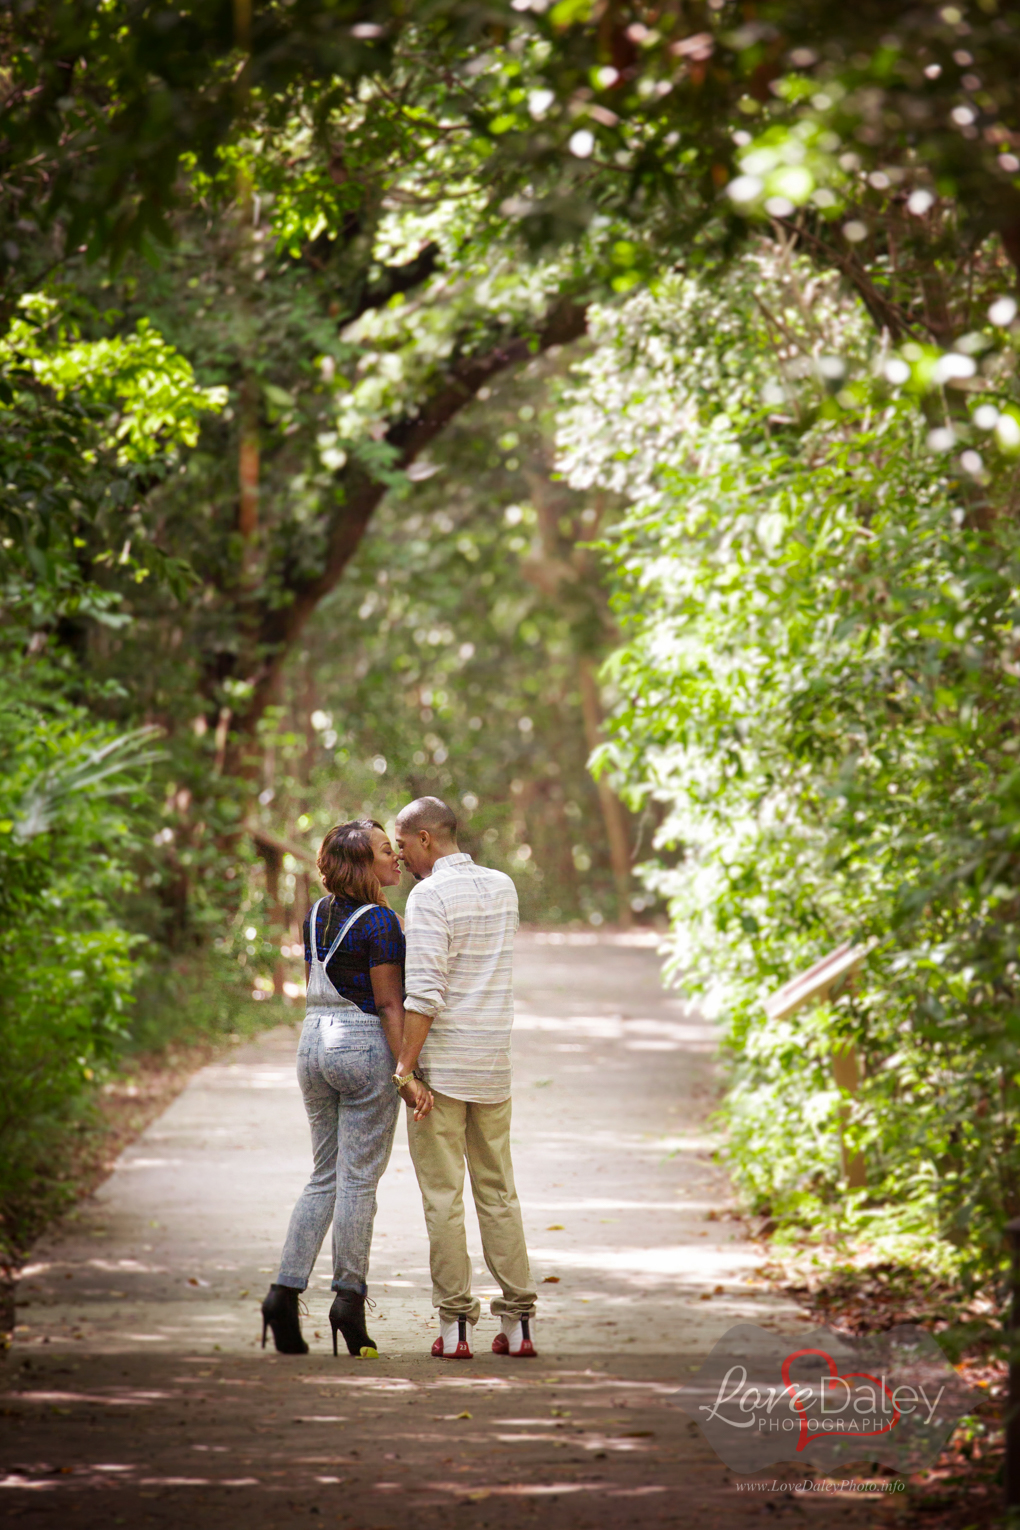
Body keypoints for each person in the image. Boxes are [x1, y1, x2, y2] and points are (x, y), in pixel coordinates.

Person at [261, 819, 431, 1357]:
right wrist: (405, 1073)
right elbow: (388, 1003)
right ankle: (348, 1300)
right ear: (364, 866)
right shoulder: (379, 922)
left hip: (313, 1042)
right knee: (359, 1180)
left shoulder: (314, 914)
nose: (395, 858)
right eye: (386, 851)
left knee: (324, 1176)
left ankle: (283, 1294)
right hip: (361, 1047)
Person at [392, 795, 537, 1360]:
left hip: (443, 1073)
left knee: (443, 1198)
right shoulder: (503, 887)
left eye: (402, 845)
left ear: (426, 838)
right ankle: (519, 1324)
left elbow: (424, 993)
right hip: (493, 1066)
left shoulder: (429, 896)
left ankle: (455, 1329)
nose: (399, 858)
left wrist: (405, 1069)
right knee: (499, 1193)